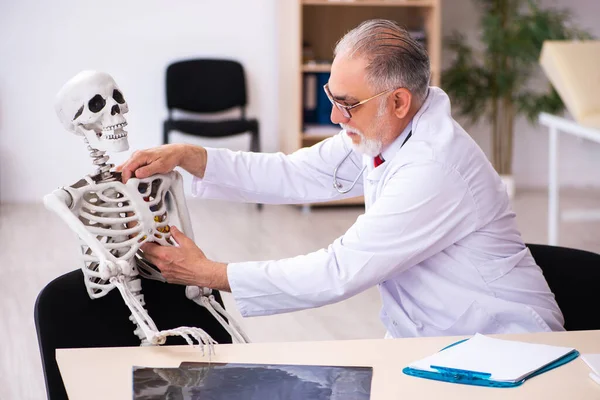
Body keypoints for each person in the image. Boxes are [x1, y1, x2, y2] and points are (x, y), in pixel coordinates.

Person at [118, 19, 564, 338]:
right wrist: (192, 156)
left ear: (399, 101)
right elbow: (295, 172)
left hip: (504, 344)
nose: (334, 116)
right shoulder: (386, 130)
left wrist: (211, 273)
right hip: (432, 338)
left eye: (347, 103)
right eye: (332, 96)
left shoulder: (432, 167)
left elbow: (338, 271)